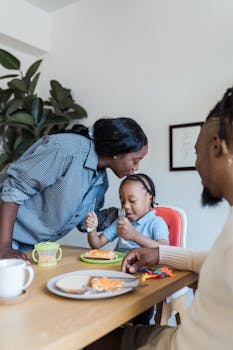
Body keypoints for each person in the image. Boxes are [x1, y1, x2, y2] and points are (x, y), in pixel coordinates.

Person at [84, 87, 233, 350]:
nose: (197, 165)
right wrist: (159, 255)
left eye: (196, 153)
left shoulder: (154, 222)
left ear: (217, 148)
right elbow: (218, 262)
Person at [0, 117, 148, 260]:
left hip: (29, 245)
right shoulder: (65, 149)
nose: (136, 168)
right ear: (118, 152)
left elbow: (85, 221)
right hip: (5, 239)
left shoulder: (100, 181)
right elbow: (14, 189)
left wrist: (118, 214)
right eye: (135, 160)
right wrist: (4, 247)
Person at [85, 173, 169, 325]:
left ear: (150, 198)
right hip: (118, 275)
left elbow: (164, 249)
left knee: (139, 313)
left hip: (143, 280)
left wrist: (134, 235)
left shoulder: (156, 223)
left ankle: (137, 332)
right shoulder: (121, 221)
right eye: (122, 201)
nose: (125, 206)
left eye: (132, 200)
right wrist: (92, 229)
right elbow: (96, 244)